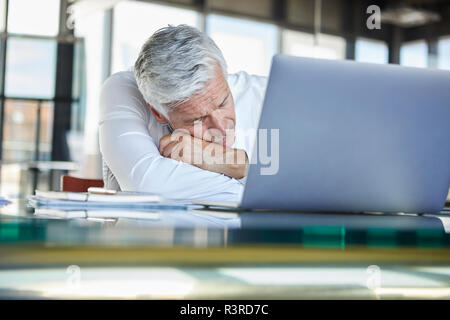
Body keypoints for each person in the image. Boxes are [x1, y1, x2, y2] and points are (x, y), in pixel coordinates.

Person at [99, 25, 267, 201]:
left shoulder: (266, 92)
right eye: (198, 119)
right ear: (158, 113)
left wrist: (224, 159)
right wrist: (256, 184)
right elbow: (146, 185)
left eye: (223, 103)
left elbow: (297, 180)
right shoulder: (124, 88)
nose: (221, 127)